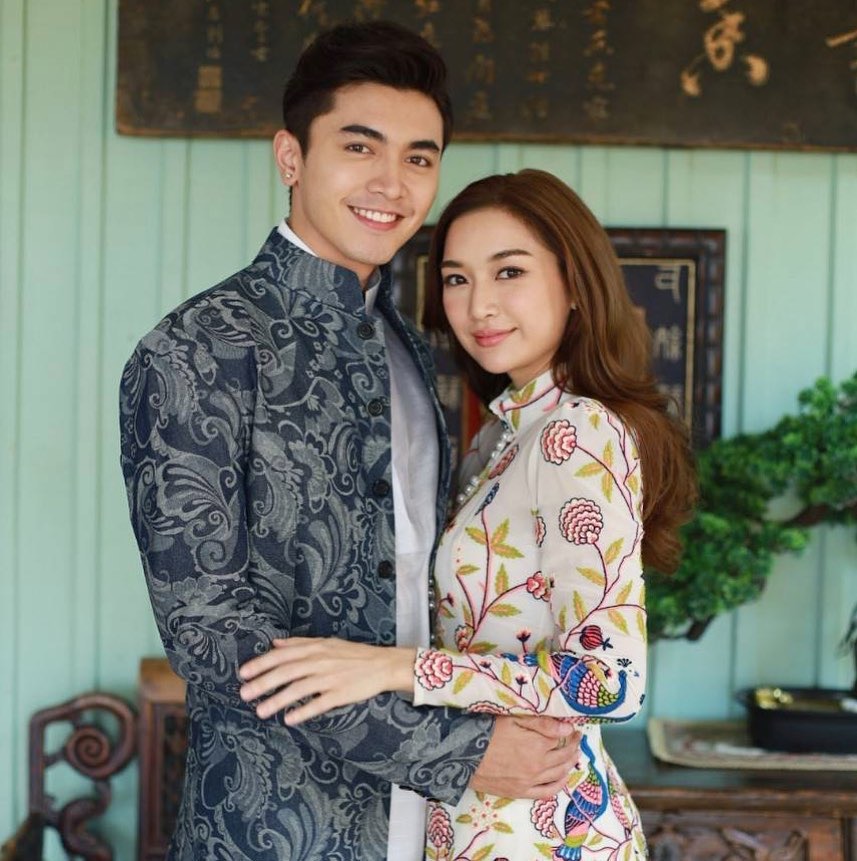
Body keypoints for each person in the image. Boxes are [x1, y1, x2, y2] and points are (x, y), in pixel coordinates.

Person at [119, 23, 581, 861]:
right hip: (272, 828)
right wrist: (457, 752)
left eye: (418, 157)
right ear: (290, 156)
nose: (391, 184)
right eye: (359, 146)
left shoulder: (418, 352)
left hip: (443, 827)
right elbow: (211, 632)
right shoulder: (194, 350)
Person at [238, 169, 698, 860]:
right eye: (456, 278)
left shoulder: (578, 431)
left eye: (509, 271)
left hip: (545, 831)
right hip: (476, 813)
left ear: (575, 284)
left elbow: (610, 681)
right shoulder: (501, 436)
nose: (479, 304)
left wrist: (391, 669)